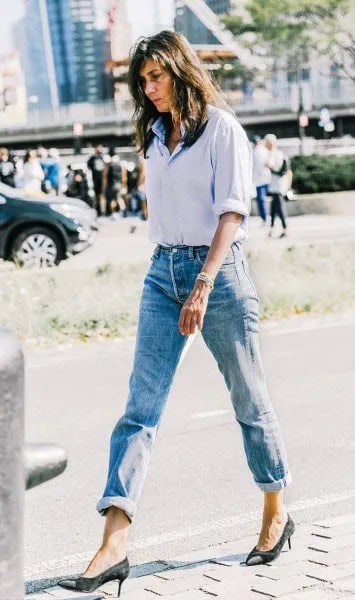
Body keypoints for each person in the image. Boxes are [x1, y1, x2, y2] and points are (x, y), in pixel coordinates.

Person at [58, 31, 293, 597]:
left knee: (249, 400)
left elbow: (232, 213)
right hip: (161, 274)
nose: (149, 87)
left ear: (181, 71)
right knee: (140, 407)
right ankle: (114, 543)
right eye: (142, 80)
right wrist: (177, 277)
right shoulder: (155, 134)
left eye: (156, 76)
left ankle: (275, 509)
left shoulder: (222, 129)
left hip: (221, 277)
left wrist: (203, 284)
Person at [264, 134, 292, 238]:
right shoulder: (279, 153)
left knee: (279, 208)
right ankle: (273, 229)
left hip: (278, 185)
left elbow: (275, 168)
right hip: (277, 185)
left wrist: (268, 166)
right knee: (274, 208)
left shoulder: (274, 154)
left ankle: (285, 229)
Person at [251, 135, 270, 224]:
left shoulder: (256, 151)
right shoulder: (263, 150)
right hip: (264, 179)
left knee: (261, 199)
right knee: (261, 199)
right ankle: (265, 218)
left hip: (261, 180)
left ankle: (265, 218)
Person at [105, 149, 127, 216]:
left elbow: (105, 176)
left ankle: (114, 213)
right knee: (119, 198)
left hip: (111, 185)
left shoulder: (109, 165)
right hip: (119, 185)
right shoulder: (121, 165)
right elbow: (124, 177)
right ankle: (123, 211)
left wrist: (104, 186)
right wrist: (124, 185)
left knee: (112, 200)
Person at [87, 145, 107, 216]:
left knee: (102, 196)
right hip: (96, 180)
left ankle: (103, 211)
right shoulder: (93, 158)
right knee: (98, 196)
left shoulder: (103, 158)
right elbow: (88, 165)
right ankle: (99, 210)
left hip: (103, 180)